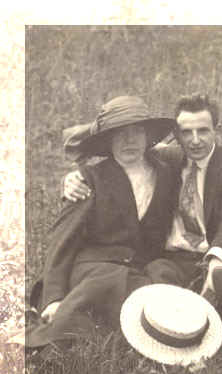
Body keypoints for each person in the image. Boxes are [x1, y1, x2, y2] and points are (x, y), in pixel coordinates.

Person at [62, 93, 222, 321]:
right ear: (176, 134)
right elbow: (114, 144)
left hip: (211, 254)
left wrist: (217, 261)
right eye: (186, 132)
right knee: (157, 284)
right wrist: (73, 178)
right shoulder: (166, 158)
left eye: (203, 131)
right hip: (171, 258)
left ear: (217, 130)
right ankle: (204, 311)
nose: (195, 140)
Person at [27, 96, 178, 348]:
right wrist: (53, 298)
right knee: (102, 291)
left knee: (163, 286)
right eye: (120, 134)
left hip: (139, 268)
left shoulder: (166, 173)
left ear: (148, 136)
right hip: (95, 268)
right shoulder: (90, 179)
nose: (130, 140)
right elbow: (62, 241)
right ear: (108, 140)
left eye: (137, 131)